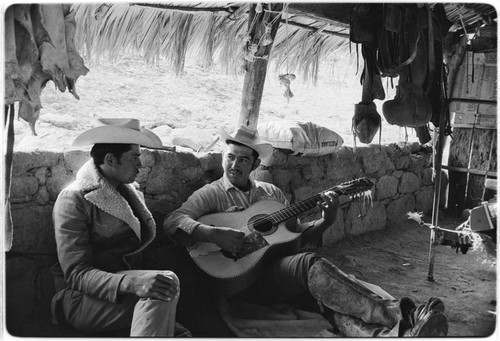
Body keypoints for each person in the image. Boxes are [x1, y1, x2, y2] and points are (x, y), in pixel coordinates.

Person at [164, 125, 449, 337]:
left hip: (274, 272)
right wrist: (213, 234)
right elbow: (174, 221)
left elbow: (296, 238)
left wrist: (326, 220)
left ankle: (393, 334)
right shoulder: (211, 194)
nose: (234, 165)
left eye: (242, 160)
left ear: (255, 164)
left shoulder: (271, 194)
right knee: (315, 273)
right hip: (240, 283)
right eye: (230, 157)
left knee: (322, 290)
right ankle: (405, 313)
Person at [51, 118, 183, 337]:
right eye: (134, 158)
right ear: (111, 159)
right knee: (164, 288)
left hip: (126, 292)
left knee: (167, 289)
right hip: (82, 299)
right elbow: (77, 274)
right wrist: (132, 283)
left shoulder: (130, 193)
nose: (140, 166)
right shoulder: (74, 199)